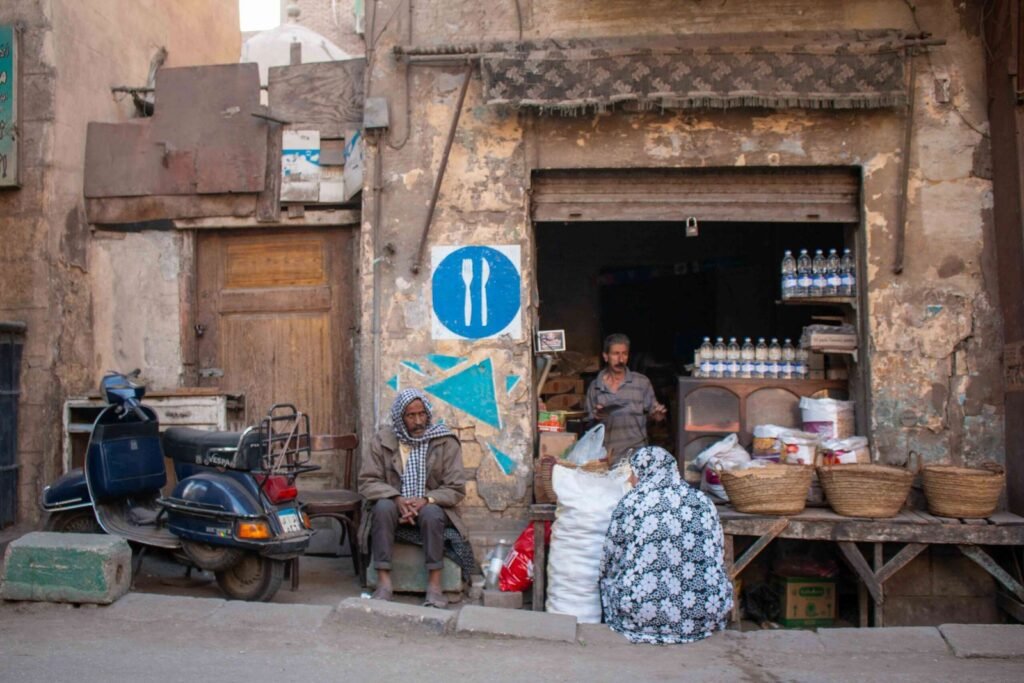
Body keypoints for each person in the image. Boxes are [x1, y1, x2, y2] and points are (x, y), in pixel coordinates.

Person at [599, 446, 733, 644]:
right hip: (702, 612)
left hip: (640, 613)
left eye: (632, 474)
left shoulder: (632, 502)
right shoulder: (702, 501)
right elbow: (717, 554)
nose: (630, 480)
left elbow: (611, 556)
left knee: (610, 579)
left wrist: (604, 580)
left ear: (641, 471)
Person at [358, 388, 467, 608]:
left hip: (431, 505)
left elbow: (456, 488)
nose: (418, 421)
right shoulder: (382, 441)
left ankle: (435, 587)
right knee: (382, 508)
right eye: (411, 416)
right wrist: (397, 498)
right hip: (394, 503)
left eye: (422, 414)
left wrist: (426, 500)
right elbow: (368, 481)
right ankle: (384, 583)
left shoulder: (445, 441)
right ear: (400, 417)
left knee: (432, 514)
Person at [584, 333, 667, 464]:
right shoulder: (595, 387)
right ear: (606, 356)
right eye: (616, 354)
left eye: (624, 354)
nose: (621, 359)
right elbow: (588, 427)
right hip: (606, 459)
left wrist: (658, 416)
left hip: (637, 456)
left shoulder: (641, 382)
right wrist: (597, 417)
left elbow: (654, 416)